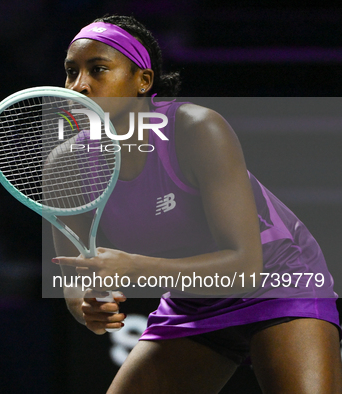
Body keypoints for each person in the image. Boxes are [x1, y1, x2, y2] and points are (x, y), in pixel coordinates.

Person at [52, 15, 342, 393]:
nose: (79, 86)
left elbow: (245, 267)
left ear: (143, 81)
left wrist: (134, 268)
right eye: (71, 72)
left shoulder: (196, 129)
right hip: (193, 300)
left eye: (99, 70)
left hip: (280, 282)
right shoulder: (65, 163)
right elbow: (76, 277)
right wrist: (85, 305)